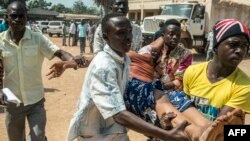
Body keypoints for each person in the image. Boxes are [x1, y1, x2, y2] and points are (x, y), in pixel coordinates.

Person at [48, 13, 189, 141]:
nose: (128, 37)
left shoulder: (123, 59)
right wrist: (165, 134)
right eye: (121, 33)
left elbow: (124, 100)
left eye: (129, 32)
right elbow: (119, 114)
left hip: (114, 131)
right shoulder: (104, 67)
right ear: (105, 37)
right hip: (95, 135)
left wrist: (156, 120)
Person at [0, 1, 74, 141]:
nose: (18, 20)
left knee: (37, 137)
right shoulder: (0, 41)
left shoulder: (37, 38)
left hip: (36, 101)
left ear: (27, 17)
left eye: (21, 16)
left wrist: (71, 61)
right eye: (14, 16)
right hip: (12, 101)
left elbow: (59, 52)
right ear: (6, 17)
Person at [183, 18, 250, 121]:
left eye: (245, 46)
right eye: (233, 44)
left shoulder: (244, 85)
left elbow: (216, 129)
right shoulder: (192, 72)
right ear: (215, 46)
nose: (240, 51)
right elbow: (184, 110)